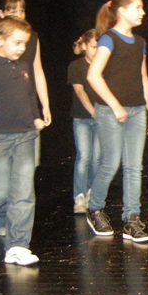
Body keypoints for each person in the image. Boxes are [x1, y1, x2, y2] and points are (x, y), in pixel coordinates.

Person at [86, 0, 148, 242]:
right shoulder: (108, 39)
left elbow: (143, 77)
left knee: (134, 166)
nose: (142, 12)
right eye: (138, 7)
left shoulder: (140, 42)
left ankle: (132, 219)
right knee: (111, 163)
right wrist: (115, 106)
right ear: (122, 11)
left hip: (137, 110)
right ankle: (95, 208)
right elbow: (93, 75)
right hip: (110, 112)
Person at [0, 0, 51, 236]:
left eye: (21, 10)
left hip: (25, 124)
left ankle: (17, 239)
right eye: (12, 11)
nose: (18, 15)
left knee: (24, 185)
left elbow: (35, 76)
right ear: (1, 15)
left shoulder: (29, 47)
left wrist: (42, 108)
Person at [68, 29, 101, 214]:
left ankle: (92, 193)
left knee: (96, 159)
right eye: (94, 47)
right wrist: (93, 111)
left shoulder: (104, 66)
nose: (97, 51)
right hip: (82, 118)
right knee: (84, 156)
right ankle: (79, 196)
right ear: (85, 46)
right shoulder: (76, 66)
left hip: (101, 119)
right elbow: (80, 92)